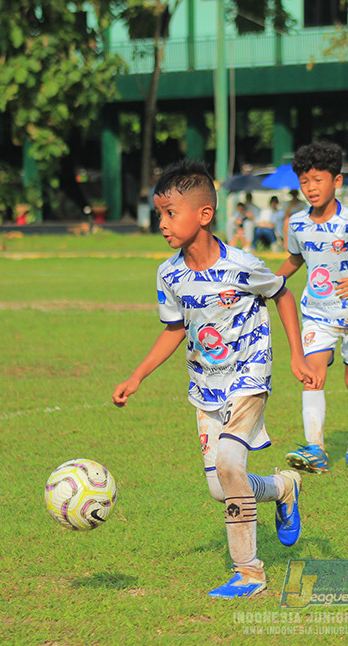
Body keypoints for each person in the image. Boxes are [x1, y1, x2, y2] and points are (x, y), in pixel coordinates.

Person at [112, 159, 317, 598]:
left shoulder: (243, 265)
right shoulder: (169, 274)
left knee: (229, 465)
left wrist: (298, 357)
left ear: (203, 215)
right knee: (220, 487)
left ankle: (249, 572)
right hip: (205, 387)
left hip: (249, 376)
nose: (162, 223)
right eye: (159, 214)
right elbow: (174, 329)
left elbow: (282, 294)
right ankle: (284, 488)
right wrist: (138, 376)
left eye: (170, 213)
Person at [277, 141, 348, 473]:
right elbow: (295, 260)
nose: (310, 188)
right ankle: (316, 450)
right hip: (316, 314)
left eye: (317, 180)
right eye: (304, 181)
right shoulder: (297, 224)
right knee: (312, 377)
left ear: (336, 181)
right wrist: (269, 283)